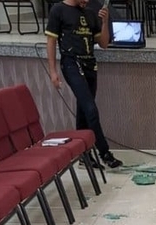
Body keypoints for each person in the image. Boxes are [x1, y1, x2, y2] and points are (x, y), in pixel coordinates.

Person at [45, 0, 123, 169]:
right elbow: (51, 41)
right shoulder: (58, 10)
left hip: (90, 64)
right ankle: (105, 153)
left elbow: (103, 43)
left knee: (83, 111)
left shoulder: (89, 13)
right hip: (72, 63)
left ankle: (84, 155)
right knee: (90, 109)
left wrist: (104, 22)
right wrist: (52, 71)